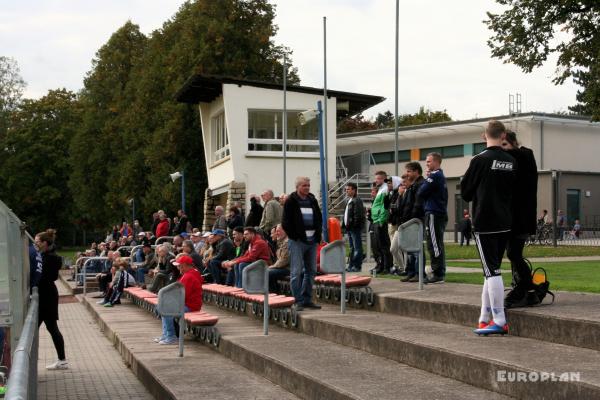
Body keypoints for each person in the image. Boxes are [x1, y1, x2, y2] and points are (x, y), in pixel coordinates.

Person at [461, 120, 516, 335]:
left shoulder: (479, 160)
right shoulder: (511, 160)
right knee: (490, 270)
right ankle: (484, 317)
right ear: (503, 136)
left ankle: (500, 320)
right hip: (504, 220)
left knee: (492, 271)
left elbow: (465, 192)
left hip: (485, 220)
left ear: (485, 135)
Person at [501, 130, 539, 308]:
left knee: (514, 253)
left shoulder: (525, 155)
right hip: (511, 217)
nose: (502, 151)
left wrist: (495, 147)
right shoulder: (510, 161)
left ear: (514, 143)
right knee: (513, 255)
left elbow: (520, 153)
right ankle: (524, 288)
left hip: (521, 218)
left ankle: (529, 290)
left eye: (505, 145)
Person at [282, 176, 322, 311]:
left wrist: (318, 235)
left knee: (311, 271)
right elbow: (285, 222)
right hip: (298, 241)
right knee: (296, 272)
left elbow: (318, 218)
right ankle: (297, 300)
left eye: (308, 185)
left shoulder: (312, 199)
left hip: (312, 241)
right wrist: (295, 236)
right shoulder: (291, 201)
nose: (307, 188)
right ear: (298, 187)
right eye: (304, 185)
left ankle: (306, 299)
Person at [35, 229, 68, 370]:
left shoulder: (51, 258)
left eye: (37, 242)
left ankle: (62, 360)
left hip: (47, 296)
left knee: (50, 327)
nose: (35, 244)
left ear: (45, 243)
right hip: (46, 295)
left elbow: (46, 277)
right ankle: (62, 360)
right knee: (49, 327)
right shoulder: (45, 255)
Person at [155, 255, 203, 345]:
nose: (178, 268)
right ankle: (166, 335)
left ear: (185, 265)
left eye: (179, 266)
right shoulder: (190, 273)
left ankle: (171, 336)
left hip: (190, 306)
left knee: (166, 309)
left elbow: (181, 295)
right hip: (189, 304)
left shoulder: (189, 276)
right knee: (162, 306)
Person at [417, 152, 448, 284]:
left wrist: (426, 181)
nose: (427, 164)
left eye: (429, 161)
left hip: (434, 213)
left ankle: (438, 273)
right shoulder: (440, 176)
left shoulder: (435, 176)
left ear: (436, 162)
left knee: (433, 244)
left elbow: (421, 192)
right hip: (437, 212)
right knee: (437, 243)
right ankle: (439, 271)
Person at [398, 162, 426, 282]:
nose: (407, 174)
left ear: (416, 171)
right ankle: (411, 272)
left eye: (409, 171)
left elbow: (417, 204)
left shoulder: (420, 184)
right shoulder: (413, 185)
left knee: (417, 248)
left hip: (415, 220)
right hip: (408, 221)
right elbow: (406, 205)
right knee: (409, 248)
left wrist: (412, 219)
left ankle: (419, 273)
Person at [370, 171, 393, 274]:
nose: (376, 180)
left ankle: (386, 267)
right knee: (378, 246)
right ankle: (382, 266)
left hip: (380, 220)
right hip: (376, 220)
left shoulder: (385, 190)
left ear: (384, 179)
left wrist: (381, 220)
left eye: (379, 178)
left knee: (384, 245)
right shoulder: (380, 190)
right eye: (376, 178)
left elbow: (384, 207)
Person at [342, 182, 366, 272]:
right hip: (349, 228)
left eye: (348, 189)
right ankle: (351, 265)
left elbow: (358, 215)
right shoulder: (349, 200)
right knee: (352, 248)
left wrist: (354, 226)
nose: (346, 191)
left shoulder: (357, 200)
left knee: (357, 248)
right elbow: (346, 214)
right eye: (346, 189)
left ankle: (357, 266)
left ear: (354, 190)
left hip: (354, 228)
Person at [268, 224, 290, 292]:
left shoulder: (287, 242)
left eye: (278, 231)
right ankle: (273, 293)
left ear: (285, 231)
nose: (276, 233)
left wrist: (272, 266)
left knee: (268, 272)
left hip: (289, 268)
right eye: (276, 231)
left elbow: (284, 261)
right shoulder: (281, 242)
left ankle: (272, 294)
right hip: (284, 268)